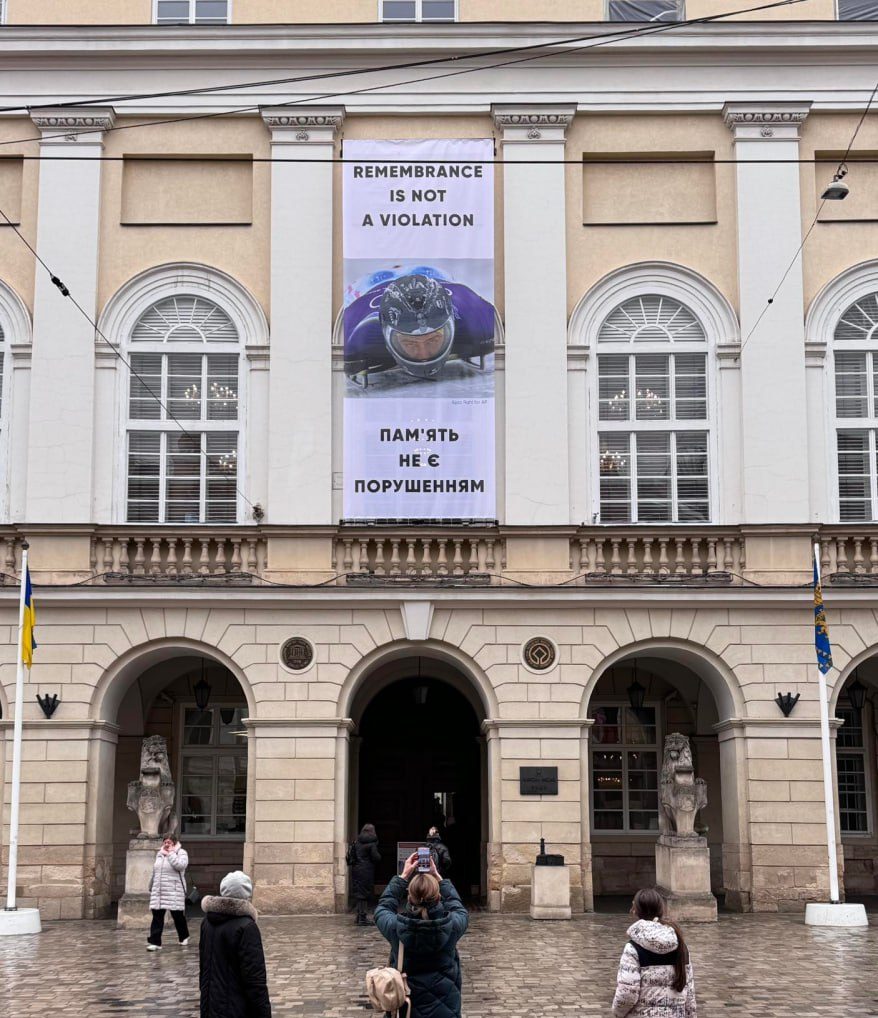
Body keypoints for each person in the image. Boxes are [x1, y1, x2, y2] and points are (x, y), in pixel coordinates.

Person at [374, 851, 468, 1018]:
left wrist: (403, 876)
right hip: (445, 1009)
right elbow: (457, 906)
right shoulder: (452, 926)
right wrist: (438, 876)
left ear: (410, 898)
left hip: (408, 1008)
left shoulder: (397, 928)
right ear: (439, 897)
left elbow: (382, 908)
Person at [612, 887, 697, 1018]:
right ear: (661, 909)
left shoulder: (633, 948)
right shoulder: (680, 945)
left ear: (635, 911)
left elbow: (627, 993)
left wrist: (617, 1014)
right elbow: (689, 992)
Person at [199, 870, 272, 1018]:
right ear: (247, 894)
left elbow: (204, 969)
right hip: (235, 1009)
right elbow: (255, 980)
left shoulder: (207, 922)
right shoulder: (246, 927)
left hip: (210, 1006)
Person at [147, 834, 189, 951]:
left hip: (174, 890)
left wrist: (171, 854)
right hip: (159, 891)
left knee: (178, 916)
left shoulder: (181, 853)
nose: (166, 844)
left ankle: (184, 936)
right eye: (165, 842)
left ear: (174, 843)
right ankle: (155, 942)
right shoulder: (159, 854)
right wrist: (151, 885)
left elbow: (180, 866)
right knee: (157, 916)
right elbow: (155, 871)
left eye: (169, 842)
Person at [349, 822, 381, 925]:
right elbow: (376, 858)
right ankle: (362, 918)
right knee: (364, 893)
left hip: (356, 869)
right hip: (366, 870)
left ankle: (359, 916)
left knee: (359, 893)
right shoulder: (371, 844)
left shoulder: (356, 842)